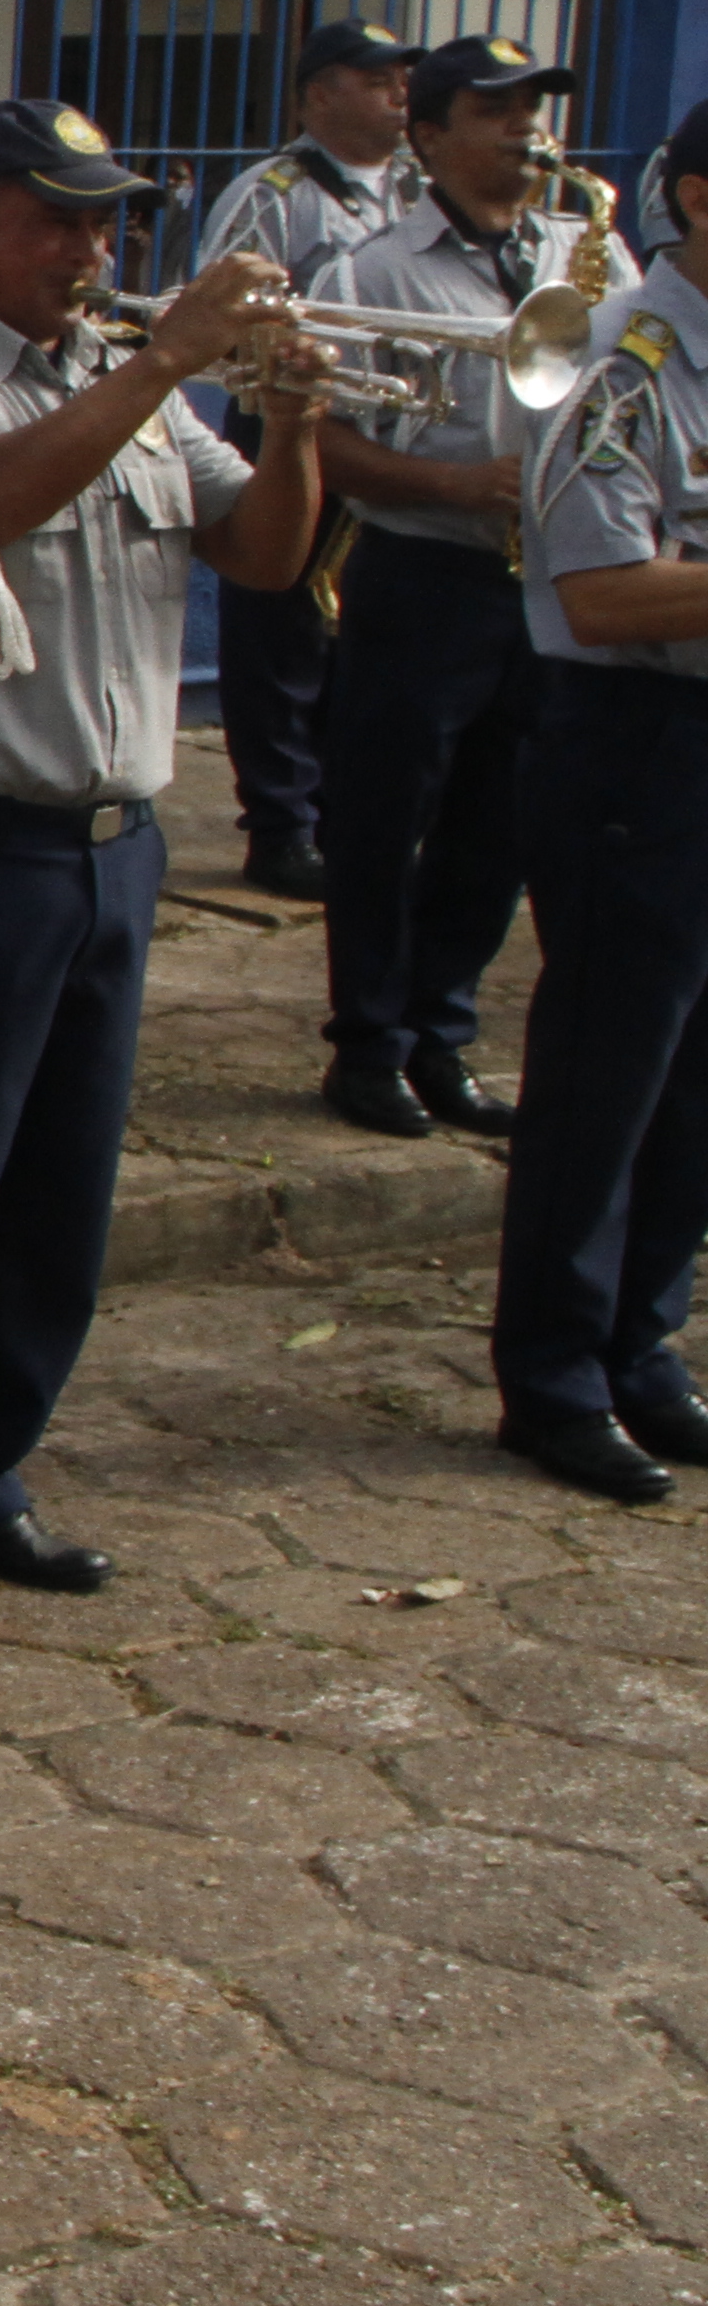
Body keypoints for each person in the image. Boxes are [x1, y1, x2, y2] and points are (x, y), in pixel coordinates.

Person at [0, 102, 322, 1616]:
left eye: (106, 222)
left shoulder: (120, 378)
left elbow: (267, 556)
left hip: (112, 847)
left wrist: (289, 417)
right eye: (56, 220)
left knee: (58, 1194)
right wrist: (169, 362)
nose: (92, 251)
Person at [483, 104, 708, 1507]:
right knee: (607, 1073)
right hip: (641, 741)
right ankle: (555, 1376)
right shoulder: (619, 363)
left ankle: (645, 1344)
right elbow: (602, 592)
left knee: (698, 1080)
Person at [309, 34, 583, 1143]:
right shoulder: (373, 270)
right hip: (425, 572)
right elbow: (320, 439)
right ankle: (367, 1043)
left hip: (543, 580)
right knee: (384, 820)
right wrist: (456, 482)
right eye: (494, 111)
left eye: (532, 108)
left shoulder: (577, 252)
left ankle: (442, 1035)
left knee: (499, 825)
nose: (523, 128)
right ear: (428, 138)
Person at [195, 18, 425, 895]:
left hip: (385, 430)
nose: (398, 93)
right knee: (280, 629)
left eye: (403, 78)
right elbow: (223, 308)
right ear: (317, 93)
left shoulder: (418, 189)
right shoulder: (275, 191)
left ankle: (346, 811)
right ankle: (281, 823)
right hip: (286, 419)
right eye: (375, 79)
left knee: (361, 630)